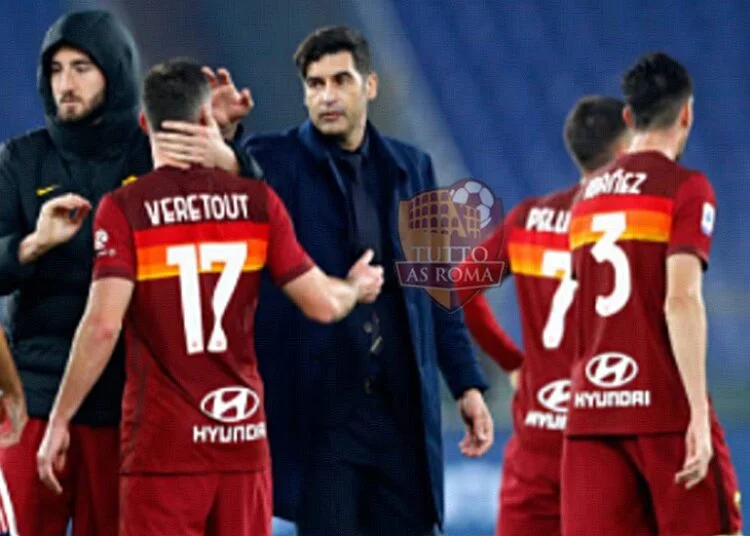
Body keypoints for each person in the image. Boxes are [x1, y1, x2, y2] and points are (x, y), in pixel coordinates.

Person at [161, 25, 494, 535]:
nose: (327, 96)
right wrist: (224, 136)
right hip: (322, 421)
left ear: (371, 86)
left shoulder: (412, 168)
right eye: (315, 85)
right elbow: (237, 182)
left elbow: (436, 287)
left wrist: (467, 384)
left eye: (340, 81)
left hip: (400, 415)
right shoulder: (279, 160)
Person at [35, 58, 384, 536]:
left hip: (164, 452)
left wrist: (59, 420)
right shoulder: (257, 202)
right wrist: (356, 288)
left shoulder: (125, 209)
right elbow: (322, 303)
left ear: (144, 124)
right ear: (206, 121)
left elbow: (102, 326)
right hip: (241, 446)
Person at [0, 10, 254, 536]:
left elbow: (244, 211)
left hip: (131, 408)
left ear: (115, 72)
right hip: (34, 402)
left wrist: (227, 148)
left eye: (82, 69)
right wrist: (31, 245)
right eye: (56, 70)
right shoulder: (20, 161)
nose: (65, 85)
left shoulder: (152, 149)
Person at [561, 52, 742, 535]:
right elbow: (680, 299)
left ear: (628, 117)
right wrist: (698, 416)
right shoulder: (686, 188)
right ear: (686, 114)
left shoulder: (585, 198)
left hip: (590, 419)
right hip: (663, 411)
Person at [459, 96, 631, 536]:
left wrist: (512, 361)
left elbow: (460, 286)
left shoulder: (529, 218)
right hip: (607, 445)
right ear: (624, 150)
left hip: (537, 442)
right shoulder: (641, 227)